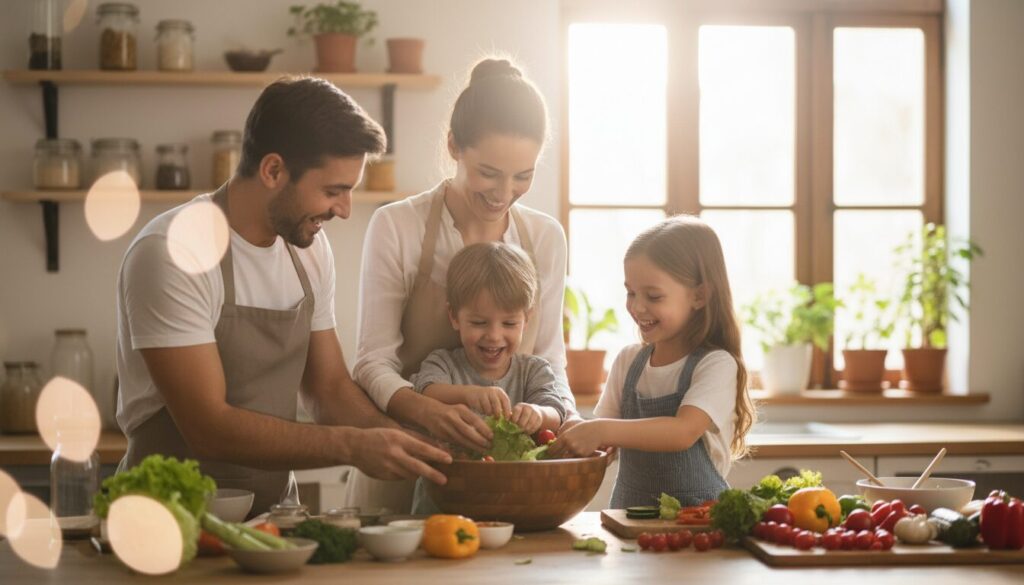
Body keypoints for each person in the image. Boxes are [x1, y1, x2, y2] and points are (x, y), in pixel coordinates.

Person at [114, 76, 450, 514]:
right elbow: (209, 428)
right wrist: (352, 446)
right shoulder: (173, 253)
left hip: (273, 519)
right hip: (169, 521)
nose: (345, 210)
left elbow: (327, 389)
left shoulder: (307, 249)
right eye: (334, 191)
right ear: (273, 170)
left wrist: (413, 443)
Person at [347, 57, 577, 512]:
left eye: (523, 176)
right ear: (453, 145)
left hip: (506, 480)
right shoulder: (398, 226)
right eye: (489, 173)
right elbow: (371, 364)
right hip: (404, 460)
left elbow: (550, 363)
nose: (504, 192)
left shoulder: (545, 238)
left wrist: (559, 418)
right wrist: (429, 412)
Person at [548, 216, 756, 507]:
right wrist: (578, 436)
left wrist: (601, 431)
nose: (636, 306)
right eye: (630, 292)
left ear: (699, 296)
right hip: (627, 521)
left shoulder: (717, 365)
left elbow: (682, 432)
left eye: (654, 296)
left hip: (698, 531)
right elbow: (606, 438)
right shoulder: (627, 361)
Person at [408, 242, 568, 513]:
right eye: (479, 322)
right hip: (443, 505)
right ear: (454, 317)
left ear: (526, 320)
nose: (494, 336)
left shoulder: (534, 370)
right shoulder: (443, 362)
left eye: (509, 323)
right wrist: (468, 394)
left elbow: (556, 409)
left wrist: (538, 414)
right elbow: (425, 391)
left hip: (516, 505)